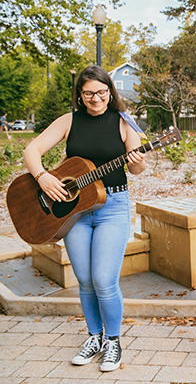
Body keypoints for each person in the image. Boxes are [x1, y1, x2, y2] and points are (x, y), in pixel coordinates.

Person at [22, 65, 146, 372]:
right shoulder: (69, 121)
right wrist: (42, 177)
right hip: (74, 211)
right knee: (86, 282)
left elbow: (136, 170)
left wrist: (139, 160)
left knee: (104, 280)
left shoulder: (123, 122)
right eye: (89, 93)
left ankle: (113, 342)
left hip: (112, 206)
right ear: (80, 94)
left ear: (110, 92)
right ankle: (95, 336)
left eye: (102, 92)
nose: (96, 98)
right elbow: (31, 149)